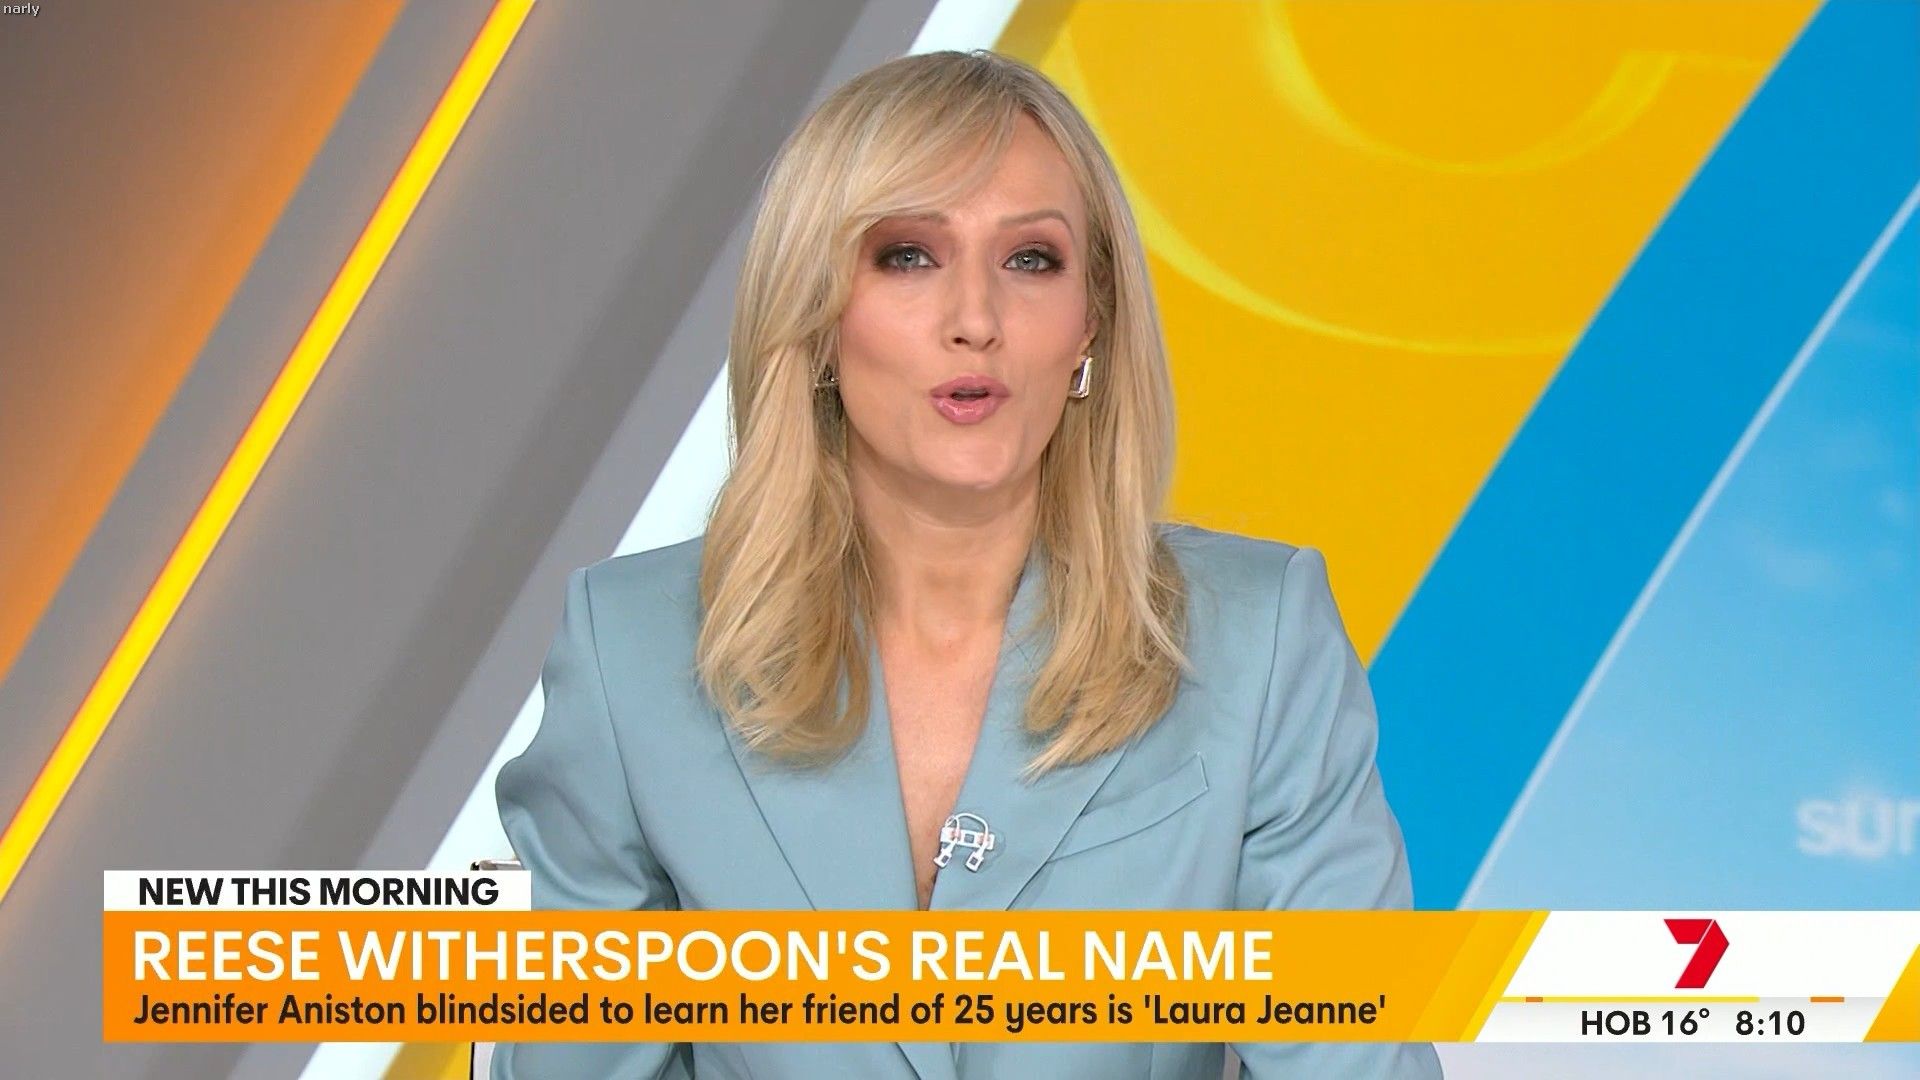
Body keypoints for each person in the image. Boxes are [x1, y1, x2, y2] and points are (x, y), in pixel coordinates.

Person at [492, 48, 1441, 1080]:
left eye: (1030, 260)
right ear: (815, 316)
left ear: (1091, 322)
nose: (976, 321)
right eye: (908, 256)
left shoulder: (1260, 638)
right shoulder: (628, 649)